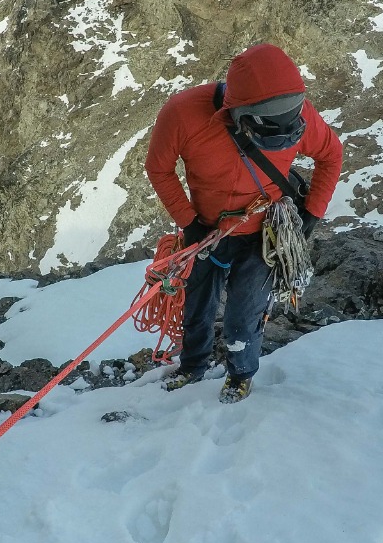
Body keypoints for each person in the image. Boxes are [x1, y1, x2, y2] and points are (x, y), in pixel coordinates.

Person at [144, 43, 343, 402]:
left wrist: (313, 212)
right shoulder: (184, 113)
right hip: (208, 232)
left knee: (242, 314)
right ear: (234, 114)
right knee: (196, 305)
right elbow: (157, 168)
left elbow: (331, 153)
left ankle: (240, 373)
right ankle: (193, 364)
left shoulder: (299, 114)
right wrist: (189, 223)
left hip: (263, 237)